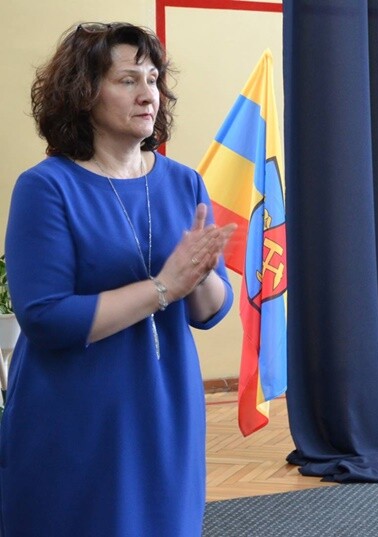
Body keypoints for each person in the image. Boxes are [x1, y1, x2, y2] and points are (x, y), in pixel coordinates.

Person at [0, 22, 235, 536]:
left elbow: (210, 310)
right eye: (128, 80)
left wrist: (198, 276)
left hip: (166, 410)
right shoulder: (46, 187)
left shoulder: (184, 182)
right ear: (84, 93)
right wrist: (163, 287)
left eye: (153, 79)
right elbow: (46, 318)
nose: (148, 93)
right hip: (76, 417)